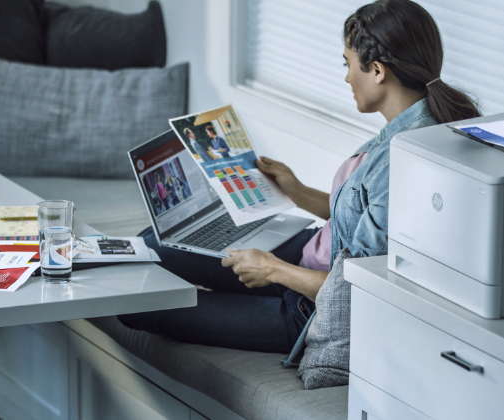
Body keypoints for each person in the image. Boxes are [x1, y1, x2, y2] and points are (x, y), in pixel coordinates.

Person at [119, 0, 480, 354]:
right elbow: (361, 221)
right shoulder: (415, 124)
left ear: (378, 71)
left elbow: (359, 287)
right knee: (151, 245)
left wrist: (273, 271)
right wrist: (297, 191)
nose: (346, 76)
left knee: (133, 303)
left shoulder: (407, 158)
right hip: (311, 253)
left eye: (348, 63)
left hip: (310, 309)